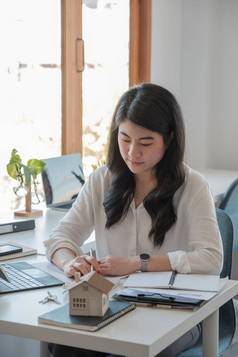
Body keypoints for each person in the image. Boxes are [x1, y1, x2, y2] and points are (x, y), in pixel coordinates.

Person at [45, 83, 223, 357]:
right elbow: (61, 237)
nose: (132, 152)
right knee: (65, 343)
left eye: (145, 142)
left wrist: (139, 265)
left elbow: (211, 259)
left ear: (170, 139)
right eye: (125, 138)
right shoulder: (101, 181)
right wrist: (70, 261)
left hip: (175, 312)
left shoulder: (193, 186)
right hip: (112, 306)